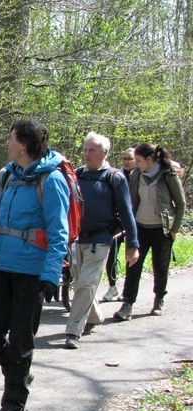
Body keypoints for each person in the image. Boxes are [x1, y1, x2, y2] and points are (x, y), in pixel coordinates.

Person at [0, 119, 69, 411]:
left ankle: (13, 403)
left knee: (20, 342)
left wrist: (51, 274)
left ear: (25, 144)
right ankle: (18, 373)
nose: (6, 142)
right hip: (2, 268)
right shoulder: (8, 175)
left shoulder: (52, 180)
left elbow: (59, 232)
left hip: (31, 273)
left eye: (10, 137)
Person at [64, 134, 139, 349]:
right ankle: (94, 316)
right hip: (78, 240)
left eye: (92, 150)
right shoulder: (77, 175)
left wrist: (133, 244)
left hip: (101, 240)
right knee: (81, 284)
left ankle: (72, 331)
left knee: (86, 284)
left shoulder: (114, 177)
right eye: (86, 150)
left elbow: (126, 212)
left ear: (105, 153)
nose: (87, 154)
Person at [114, 143, 186, 320]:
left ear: (149, 159)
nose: (135, 164)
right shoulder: (137, 174)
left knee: (160, 267)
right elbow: (131, 201)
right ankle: (127, 304)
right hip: (140, 227)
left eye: (138, 160)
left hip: (162, 229)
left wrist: (174, 230)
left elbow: (181, 204)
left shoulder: (168, 175)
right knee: (133, 265)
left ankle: (159, 298)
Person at [102, 147, 136, 302]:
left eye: (130, 158)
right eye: (124, 158)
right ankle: (112, 286)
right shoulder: (116, 176)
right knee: (112, 255)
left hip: (134, 222)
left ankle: (127, 289)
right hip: (116, 223)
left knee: (132, 256)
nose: (127, 161)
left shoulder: (140, 176)